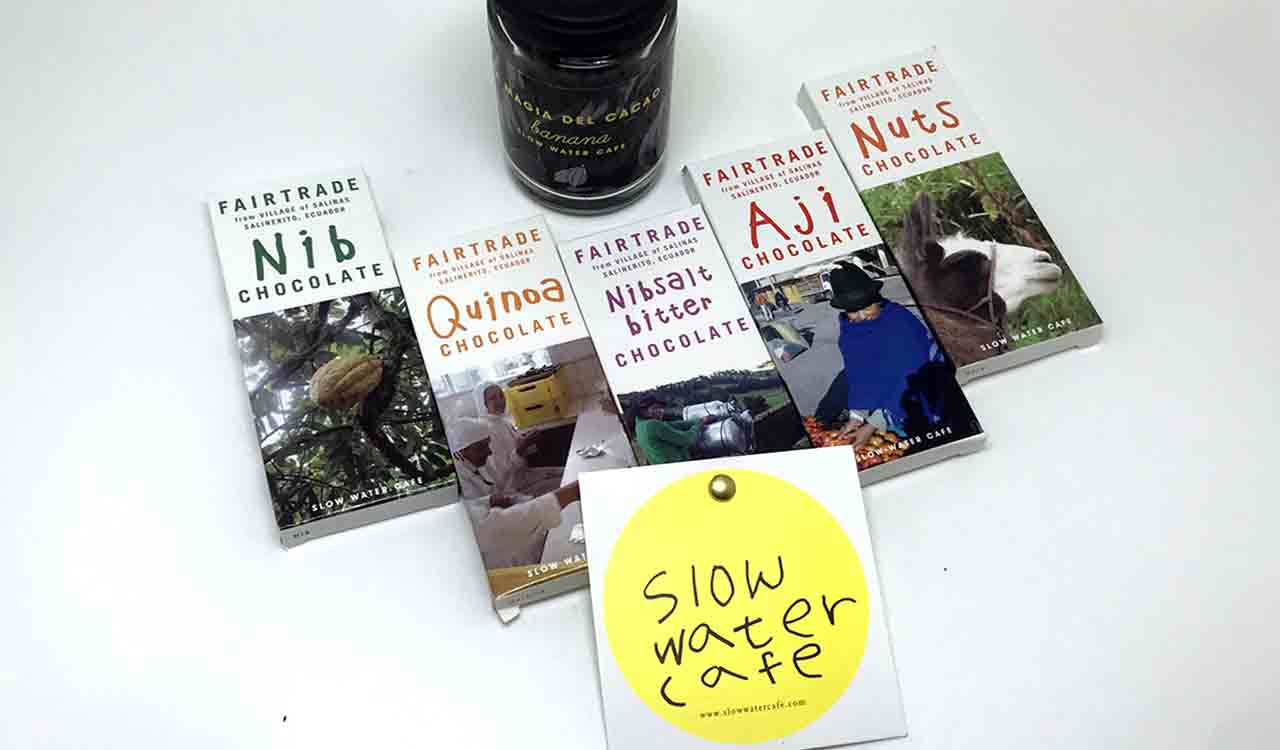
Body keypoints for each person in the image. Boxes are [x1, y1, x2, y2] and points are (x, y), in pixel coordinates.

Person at [827, 261, 935, 449]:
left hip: (918, 398)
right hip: (886, 406)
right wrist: (857, 416)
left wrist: (875, 422)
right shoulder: (849, 334)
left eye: (867, 307)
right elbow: (858, 374)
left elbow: (912, 374)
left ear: (877, 299)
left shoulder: (901, 323)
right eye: (853, 311)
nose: (862, 316)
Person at [451, 416, 579, 569]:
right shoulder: (460, 484)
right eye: (482, 447)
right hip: (505, 543)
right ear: (463, 451)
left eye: (488, 444)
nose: (489, 452)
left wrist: (493, 500)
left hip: (514, 511)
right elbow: (498, 523)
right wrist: (566, 494)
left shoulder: (481, 458)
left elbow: (499, 490)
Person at [471, 381, 562, 497]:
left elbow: (518, 451)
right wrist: (522, 447)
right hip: (515, 489)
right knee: (568, 480)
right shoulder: (486, 431)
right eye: (493, 398)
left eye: (501, 395)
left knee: (567, 471)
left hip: (525, 476)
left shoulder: (501, 421)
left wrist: (529, 442)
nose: (500, 401)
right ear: (482, 404)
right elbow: (503, 475)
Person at [631, 396, 713, 465]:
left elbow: (675, 424)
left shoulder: (640, 425)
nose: (661, 411)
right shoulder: (652, 425)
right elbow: (686, 439)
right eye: (655, 408)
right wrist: (698, 426)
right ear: (644, 411)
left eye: (661, 408)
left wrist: (699, 420)